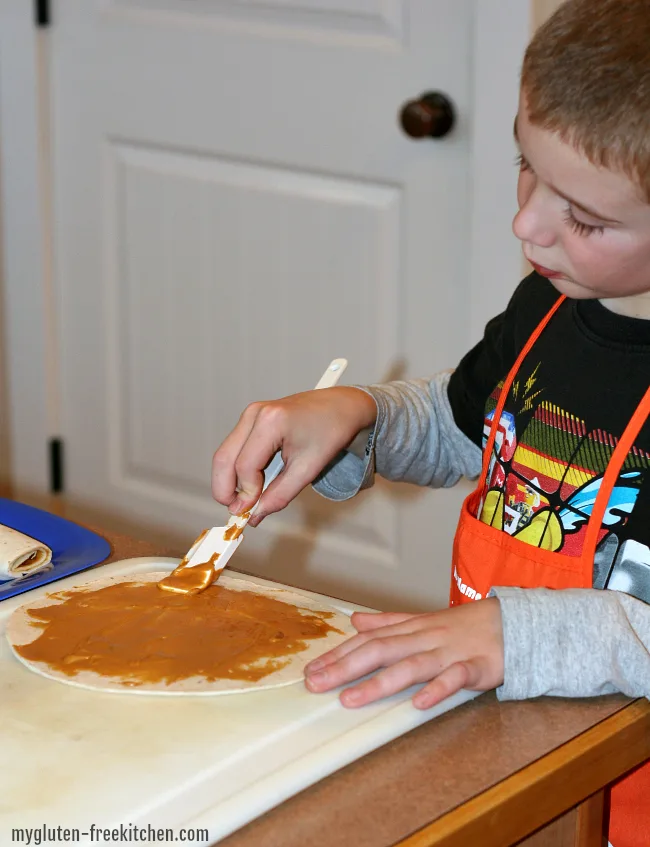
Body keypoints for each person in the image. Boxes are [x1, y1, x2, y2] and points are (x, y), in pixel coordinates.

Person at [211, 2, 650, 844]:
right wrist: (361, 416)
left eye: (584, 219)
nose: (526, 224)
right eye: (527, 167)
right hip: (511, 735)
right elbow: (469, 427)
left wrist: (517, 634)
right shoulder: (552, 301)